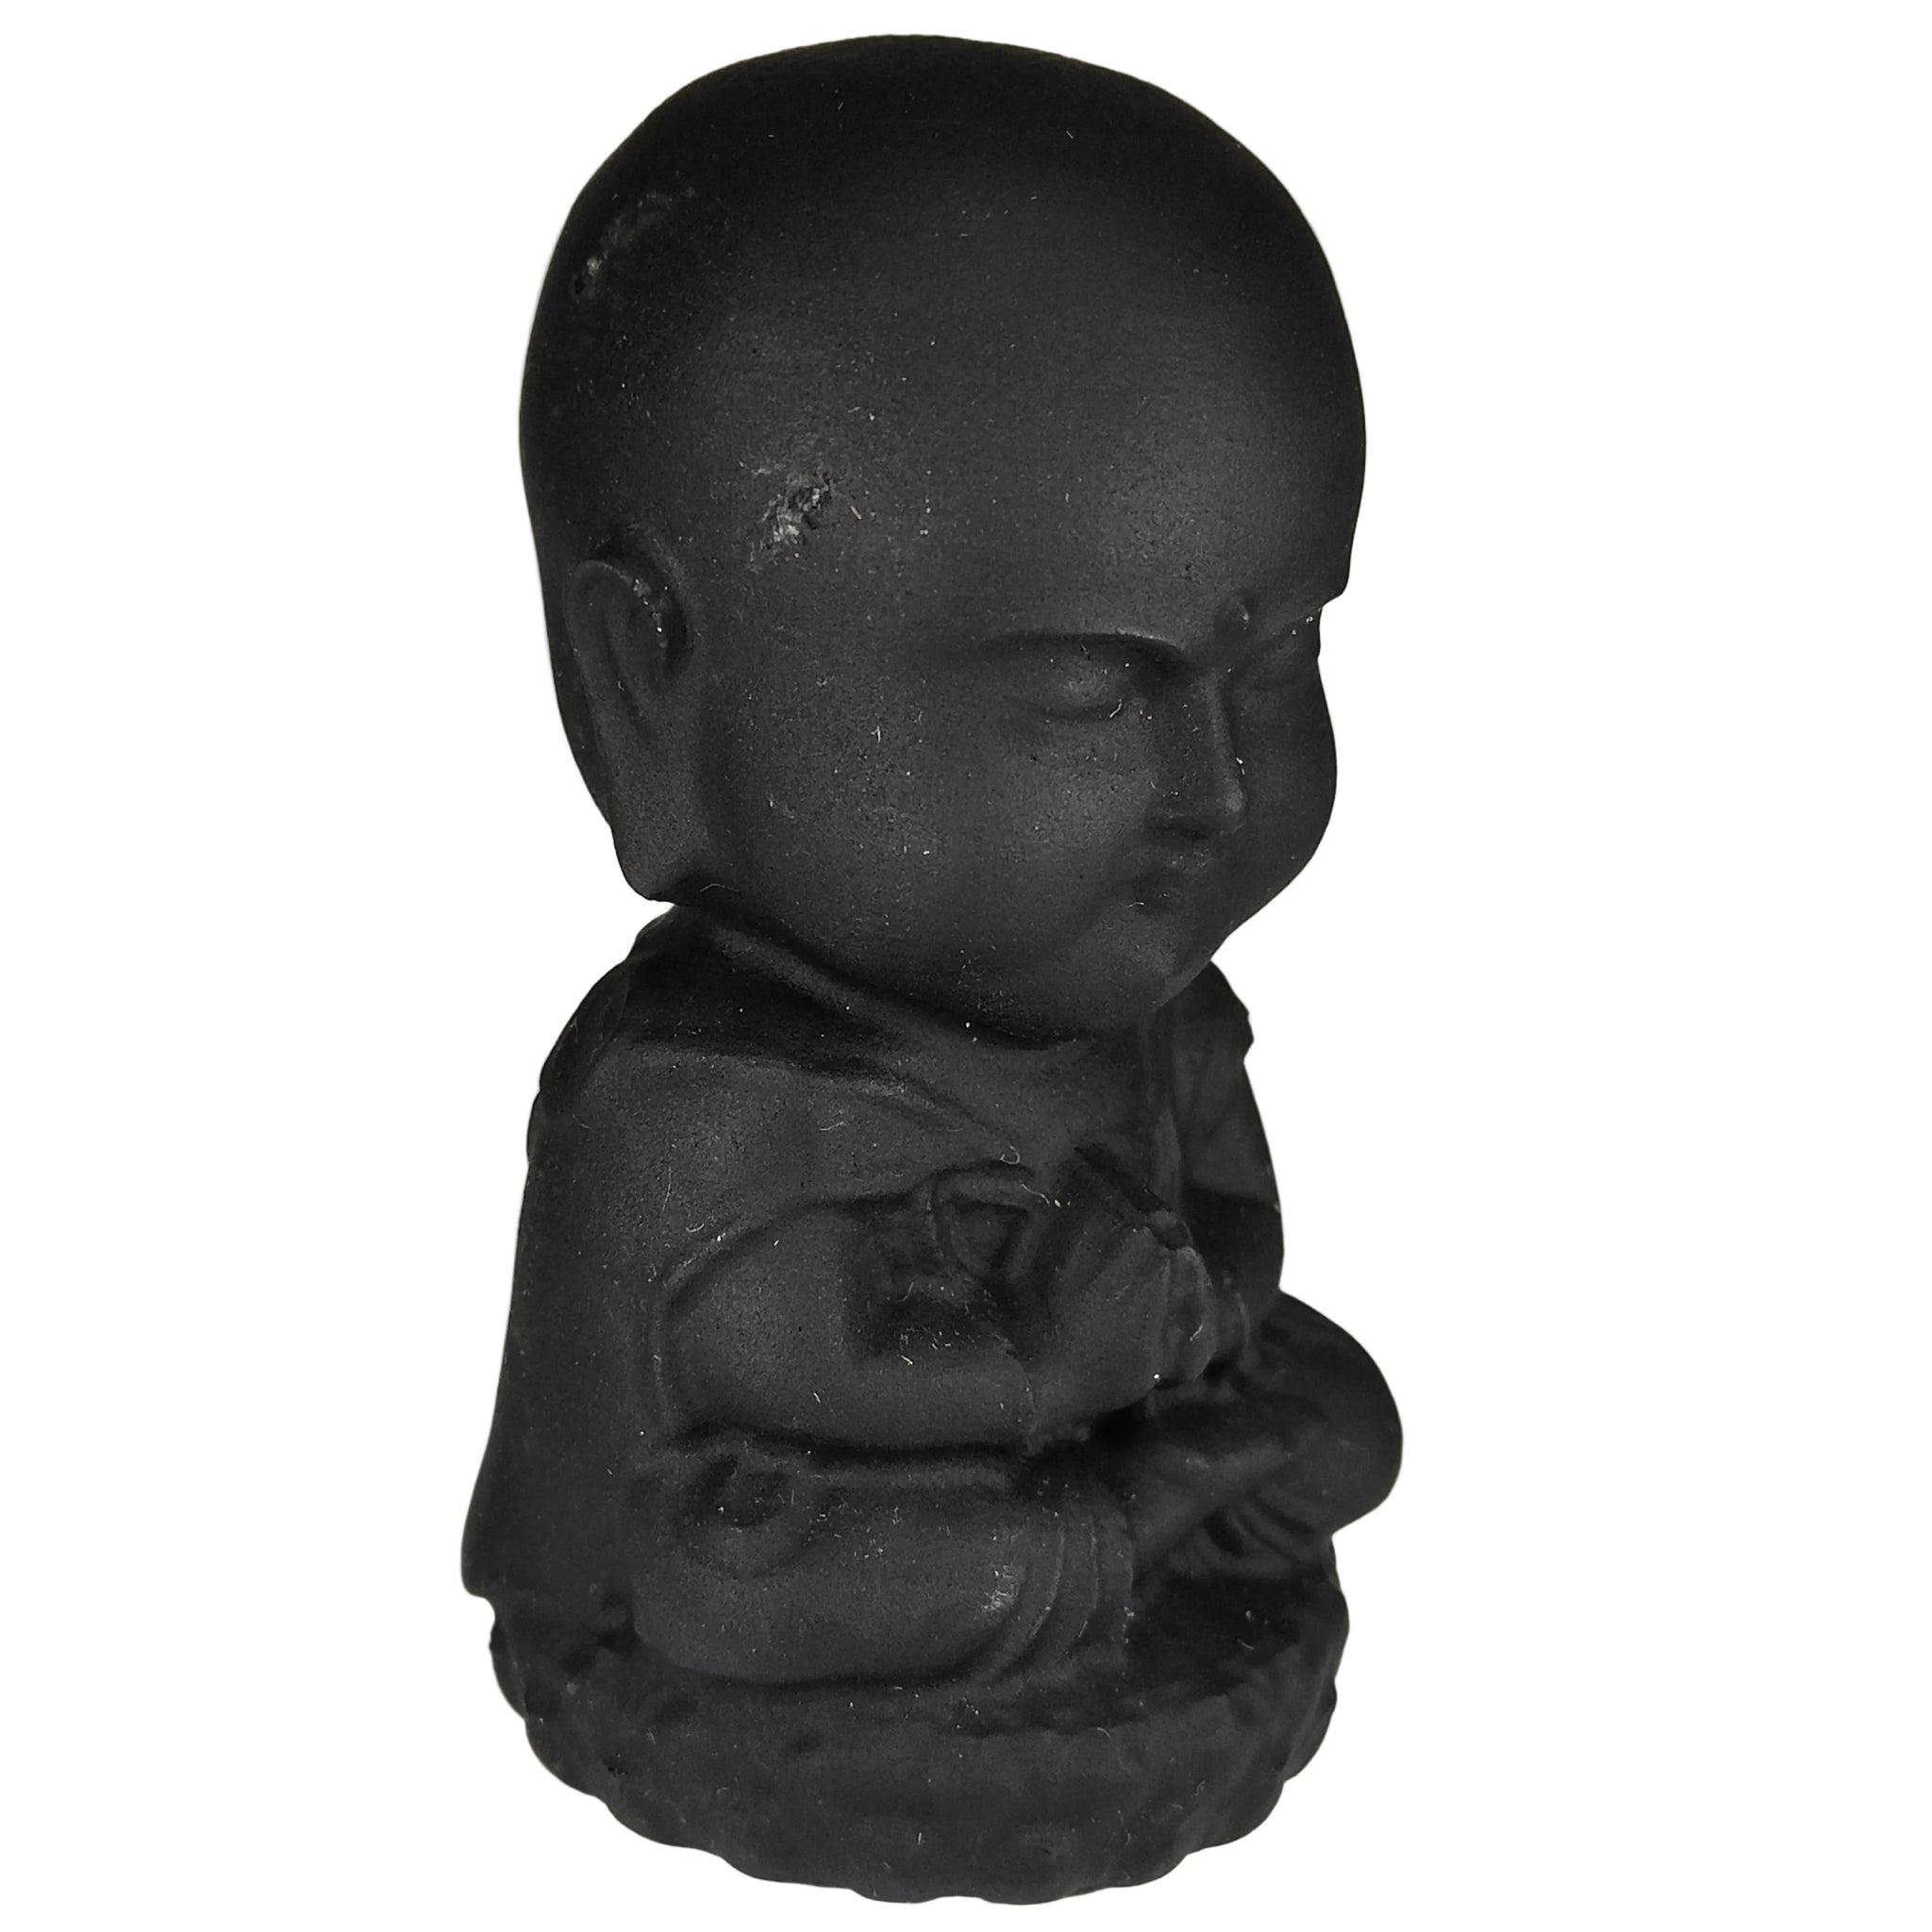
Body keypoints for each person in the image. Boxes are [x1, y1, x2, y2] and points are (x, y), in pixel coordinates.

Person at [466, 35, 1398, 1702]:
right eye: (1083, 691)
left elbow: (1235, 1230)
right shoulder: (697, 1106)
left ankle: (1136, 1522)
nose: (1218, 785)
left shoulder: (1163, 1023)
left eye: (1280, 662)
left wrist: (1198, 1310)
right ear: (644, 689)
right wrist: (1049, 1360)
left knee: (1344, 1421)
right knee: (747, 1579)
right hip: (806, 1522)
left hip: (1093, 1422)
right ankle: (1115, 1539)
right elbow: (787, 1366)